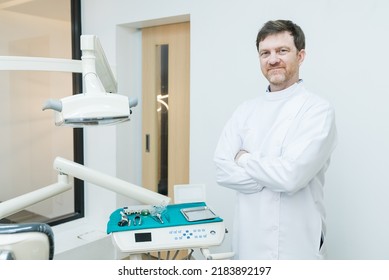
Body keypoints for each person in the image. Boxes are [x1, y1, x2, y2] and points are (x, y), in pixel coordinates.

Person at [213, 20, 337, 259]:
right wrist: (270, 177)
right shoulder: (244, 111)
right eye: (265, 53)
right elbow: (221, 169)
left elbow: (291, 177)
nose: (272, 59)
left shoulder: (318, 110)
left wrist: (244, 158)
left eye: (282, 51)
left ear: (300, 56)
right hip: (249, 244)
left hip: (296, 246)